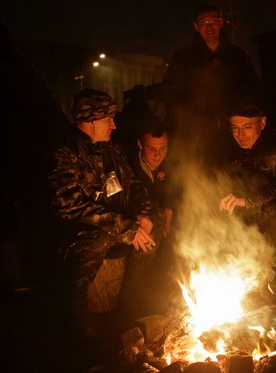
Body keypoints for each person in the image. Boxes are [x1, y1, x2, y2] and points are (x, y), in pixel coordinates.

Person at [48, 88, 166, 341]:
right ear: (91, 121)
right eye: (108, 119)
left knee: (155, 219)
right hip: (82, 233)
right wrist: (126, 228)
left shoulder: (109, 149)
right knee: (95, 243)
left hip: (118, 225)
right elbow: (71, 206)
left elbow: (135, 186)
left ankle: (133, 300)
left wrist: (143, 214)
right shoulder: (65, 153)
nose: (114, 124)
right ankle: (78, 316)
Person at [160, 2, 261, 168]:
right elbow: (170, 92)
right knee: (197, 173)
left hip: (231, 132)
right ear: (195, 26)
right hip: (195, 133)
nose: (209, 27)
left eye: (213, 21)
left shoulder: (238, 56)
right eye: (203, 22)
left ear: (221, 22)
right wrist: (184, 120)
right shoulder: (183, 57)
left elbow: (252, 91)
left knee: (231, 173)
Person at [219, 101, 276, 277]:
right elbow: (221, 182)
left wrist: (249, 200)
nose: (240, 135)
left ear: (262, 123)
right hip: (244, 217)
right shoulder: (228, 150)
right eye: (235, 128)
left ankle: (272, 281)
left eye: (247, 127)